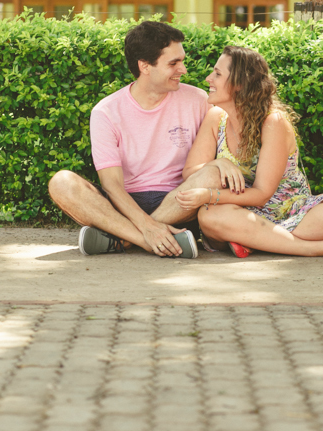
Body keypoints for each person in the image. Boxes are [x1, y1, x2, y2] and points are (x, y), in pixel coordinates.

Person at [176, 46, 323, 258]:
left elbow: (261, 195)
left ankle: (256, 240)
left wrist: (208, 195)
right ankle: (313, 247)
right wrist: (218, 164)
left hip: (292, 211)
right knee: (209, 216)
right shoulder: (216, 118)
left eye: (218, 74)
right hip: (240, 212)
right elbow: (191, 172)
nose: (208, 78)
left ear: (240, 84)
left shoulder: (272, 122)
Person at [48, 21, 215, 259]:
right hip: (124, 204)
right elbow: (112, 185)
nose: (183, 69)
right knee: (61, 182)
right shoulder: (106, 112)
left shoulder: (198, 100)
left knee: (213, 173)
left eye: (182, 60)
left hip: (178, 201)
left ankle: (119, 241)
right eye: (174, 63)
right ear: (145, 66)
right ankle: (149, 240)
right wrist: (146, 228)